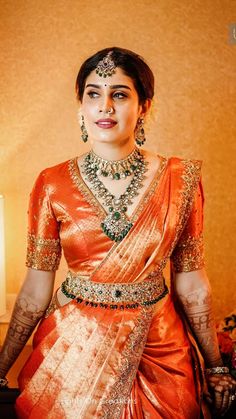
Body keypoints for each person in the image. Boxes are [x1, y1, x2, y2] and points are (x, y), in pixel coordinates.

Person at [0, 47, 235, 419]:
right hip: (74, 348)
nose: (104, 106)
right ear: (81, 106)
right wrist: (1, 366)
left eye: (120, 94)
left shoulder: (181, 180)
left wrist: (214, 363)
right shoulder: (51, 183)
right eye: (93, 94)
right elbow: (35, 287)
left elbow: (191, 282)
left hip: (159, 346)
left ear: (144, 107)